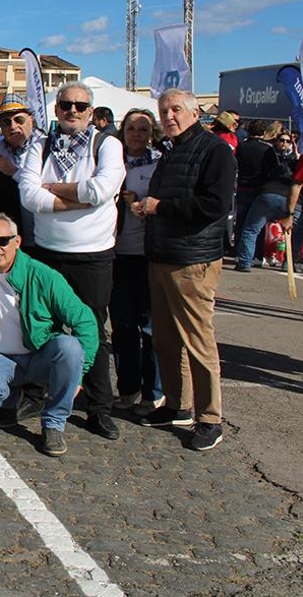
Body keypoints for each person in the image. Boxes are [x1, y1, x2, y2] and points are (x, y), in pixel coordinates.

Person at [17, 80, 126, 440]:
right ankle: (36, 395)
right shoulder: (41, 144)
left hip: (92, 255)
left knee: (92, 328)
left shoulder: (106, 143)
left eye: (81, 106)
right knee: (39, 326)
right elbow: (29, 197)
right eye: (66, 105)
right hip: (47, 252)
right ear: (57, 109)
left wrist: (54, 190)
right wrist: (81, 197)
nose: (73, 112)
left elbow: (102, 190)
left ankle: (98, 407)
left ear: (91, 112)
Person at [134, 89, 236, 451]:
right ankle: (178, 406)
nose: (169, 116)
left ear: (195, 112)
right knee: (165, 338)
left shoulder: (216, 150)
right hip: (162, 255)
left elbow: (214, 205)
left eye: (176, 109)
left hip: (193, 260)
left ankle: (210, 418)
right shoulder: (172, 150)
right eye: (164, 111)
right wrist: (147, 208)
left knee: (198, 340)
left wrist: (159, 207)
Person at [0, 213, 98, 457]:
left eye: (3, 240)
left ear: (17, 241)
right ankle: (10, 401)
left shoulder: (44, 276)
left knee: (69, 347)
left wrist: (81, 372)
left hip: (39, 356)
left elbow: (85, 321)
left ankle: (54, 423)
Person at [111, 109, 164, 414]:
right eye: (131, 128)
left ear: (151, 133)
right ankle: (128, 388)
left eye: (143, 129)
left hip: (148, 254)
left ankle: (152, 392)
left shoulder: (159, 163)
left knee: (150, 327)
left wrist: (143, 204)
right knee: (122, 326)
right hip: (117, 253)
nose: (136, 134)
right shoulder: (112, 161)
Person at [235, 121, 292, 272]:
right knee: (256, 228)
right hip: (262, 189)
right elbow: (274, 169)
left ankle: (242, 258)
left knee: (246, 226)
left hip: (245, 187)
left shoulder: (242, 146)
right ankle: (258, 257)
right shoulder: (267, 149)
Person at [0, 94, 42, 238]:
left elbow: (47, 186)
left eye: (19, 119)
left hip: (42, 234)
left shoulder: (45, 147)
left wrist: (13, 172)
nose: (13, 126)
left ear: (31, 120)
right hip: (9, 237)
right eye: (5, 122)